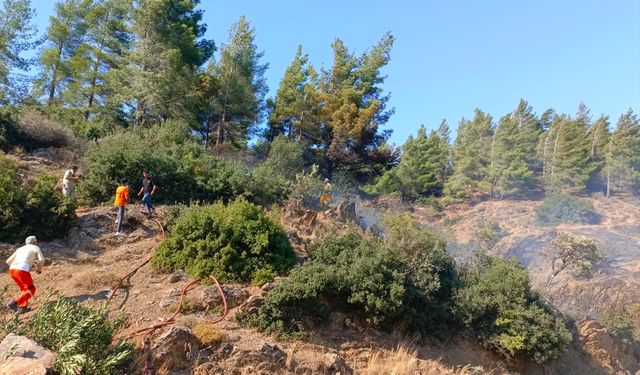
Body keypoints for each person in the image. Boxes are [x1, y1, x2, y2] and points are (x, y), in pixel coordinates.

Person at [5, 236, 44, 313]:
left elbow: (8, 262)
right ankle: (14, 303)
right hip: (22, 270)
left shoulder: (20, 249)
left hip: (12, 269)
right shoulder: (35, 247)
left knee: (24, 289)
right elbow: (42, 260)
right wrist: (39, 269)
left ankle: (23, 307)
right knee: (31, 290)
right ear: (35, 242)